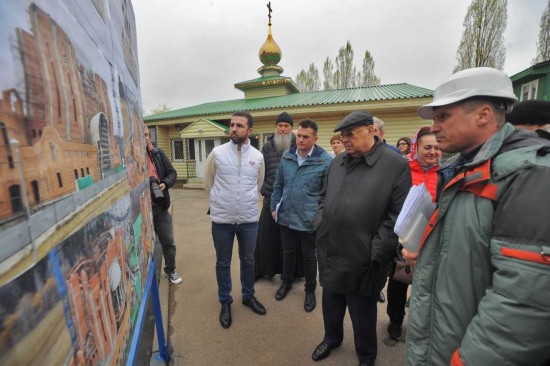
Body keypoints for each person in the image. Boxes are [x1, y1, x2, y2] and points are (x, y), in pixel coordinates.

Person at [403, 67, 550, 365]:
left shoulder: (528, 175)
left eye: (443, 116)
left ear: (483, 115)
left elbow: (524, 301)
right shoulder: (464, 167)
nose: (434, 127)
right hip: (442, 342)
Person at [311, 110, 411, 366]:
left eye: (350, 134)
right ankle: (331, 338)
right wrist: (320, 223)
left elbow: (397, 216)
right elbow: (323, 197)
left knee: (362, 313)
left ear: (370, 130)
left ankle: (366, 356)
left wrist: (376, 250)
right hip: (331, 249)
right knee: (331, 302)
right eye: (342, 135)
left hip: (365, 257)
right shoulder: (338, 161)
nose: (344, 140)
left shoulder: (395, 164)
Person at [204, 111, 267, 329]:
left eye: (239, 126)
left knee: (248, 260)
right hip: (222, 220)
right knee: (223, 262)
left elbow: (259, 184)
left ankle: (248, 296)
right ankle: (225, 301)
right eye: (232, 125)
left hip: (249, 220)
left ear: (249, 131)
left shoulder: (258, 157)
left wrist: (245, 201)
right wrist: (222, 201)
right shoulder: (217, 153)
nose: (234, 129)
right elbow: (208, 182)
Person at [270, 119, 332, 312]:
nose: (301, 140)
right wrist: (274, 206)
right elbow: (278, 184)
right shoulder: (287, 156)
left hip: (308, 218)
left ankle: (310, 290)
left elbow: (328, 192)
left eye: (306, 137)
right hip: (286, 215)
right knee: (288, 252)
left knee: (309, 256)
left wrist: (320, 216)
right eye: (299, 136)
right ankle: (286, 282)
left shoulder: (325, 161)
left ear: (315, 139)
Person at [386, 126, 440, 341]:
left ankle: (420, 324)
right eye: (427, 147)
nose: (433, 152)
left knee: (425, 286)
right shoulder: (404, 169)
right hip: (403, 238)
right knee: (398, 282)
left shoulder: (446, 172)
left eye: (437, 147)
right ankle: (395, 321)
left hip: (432, 239)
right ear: (416, 147)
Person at [255, 112, 300, 278]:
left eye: (286, 126)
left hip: (292, 202)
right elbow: (261, 172)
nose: (282, 129)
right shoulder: (267, 147)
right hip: (270, 199)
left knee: (290, 240)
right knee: (265, 238)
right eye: (280, 126)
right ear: (276, 128)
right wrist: (264, 189)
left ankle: (291, 274)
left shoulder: (298, 146)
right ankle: (264, 270)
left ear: (291, 128)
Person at [145, 127, 181, 285]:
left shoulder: (157, 154)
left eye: (146, 134)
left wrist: (164, 184)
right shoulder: (127, 158)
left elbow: (172, 172)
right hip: (140, 211)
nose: (145, 138)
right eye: (141, 135)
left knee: (168, 241)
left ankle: (170, 270)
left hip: (159, 207)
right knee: (143, 245)